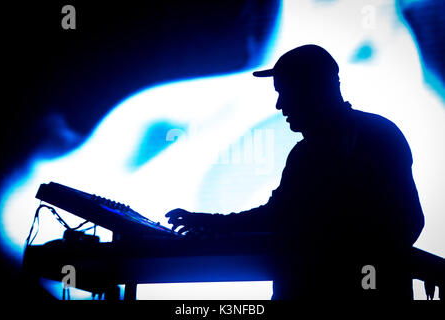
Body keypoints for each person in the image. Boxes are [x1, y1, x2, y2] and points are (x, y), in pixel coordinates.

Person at [165, 44, 424, 301]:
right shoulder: (319, 149)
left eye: (285, 92)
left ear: (312, 90)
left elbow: (407, 223)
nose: (279, 105)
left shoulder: (368, 138)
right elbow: (278, 216)